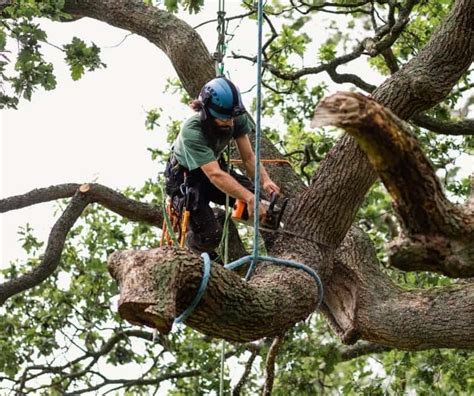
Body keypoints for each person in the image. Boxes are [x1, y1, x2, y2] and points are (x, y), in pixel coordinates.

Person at [164, 76, 280, 256]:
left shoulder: (235, 116)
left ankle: (276, 244)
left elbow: (248, 157)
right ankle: (192, 247)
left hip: (214, 169)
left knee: (262, 204)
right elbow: (215, 176)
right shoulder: (192, 131)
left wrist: (265, 180)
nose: (230, 123)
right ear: (205, 113)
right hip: (187, 179)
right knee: (210, 235)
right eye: (224, 119)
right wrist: (248, 198)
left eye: (232, 118)